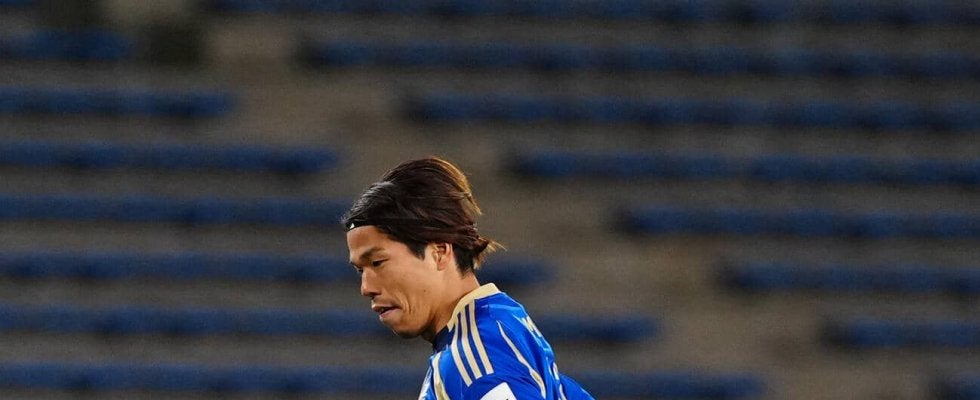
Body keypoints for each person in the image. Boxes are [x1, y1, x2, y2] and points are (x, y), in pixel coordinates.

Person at [343, 157, 594, 400]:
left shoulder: (476, 360)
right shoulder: (496, 324)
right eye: (360, 270)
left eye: (378, 263)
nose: (366, 288)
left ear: (439, 252)